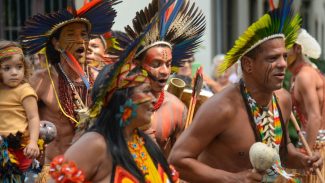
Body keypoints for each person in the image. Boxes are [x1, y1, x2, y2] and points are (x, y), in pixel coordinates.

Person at [169, 1, 323, 182]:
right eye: (272, 58)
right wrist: (233, 179)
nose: (282, 64)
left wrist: (304, 160)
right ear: (248, 64)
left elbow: (282, 151)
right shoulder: (222, 108)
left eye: (284, 56)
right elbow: (177, 160)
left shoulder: (283, 100)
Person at [48, 45, 179, 182]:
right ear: (123, 98)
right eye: (146, 91)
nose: (153, 99)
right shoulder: (96, 144)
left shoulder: (145, 143)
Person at [20, 0, 118, 181]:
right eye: (71, 34)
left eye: (84, 34)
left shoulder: (101, 80)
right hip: (53, 171)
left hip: (93, 172)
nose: (80, 40)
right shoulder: (42, 80)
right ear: (57, 44)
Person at [125, 0, 206, 156]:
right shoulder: (119, 104)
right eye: (156, 64)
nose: (164, 71)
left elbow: (183, 162)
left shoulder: (177, 109)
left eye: (168, 64)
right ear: (137, 64)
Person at [0, 40, 40, 182]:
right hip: (1, 148)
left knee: (21, 178)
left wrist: (33, 142)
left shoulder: (25, 90)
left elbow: (33, 118)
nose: (14, 73)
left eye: (19, 67)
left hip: (21, 148)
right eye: (7, 68)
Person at [287, 28, 323, 148]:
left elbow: (315, 117)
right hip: (309, 142)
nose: (280, 52)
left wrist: (308, 156)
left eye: (285, 47)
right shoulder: (297, 76)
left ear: (297, 49)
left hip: (316, 146)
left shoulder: (304, 76)